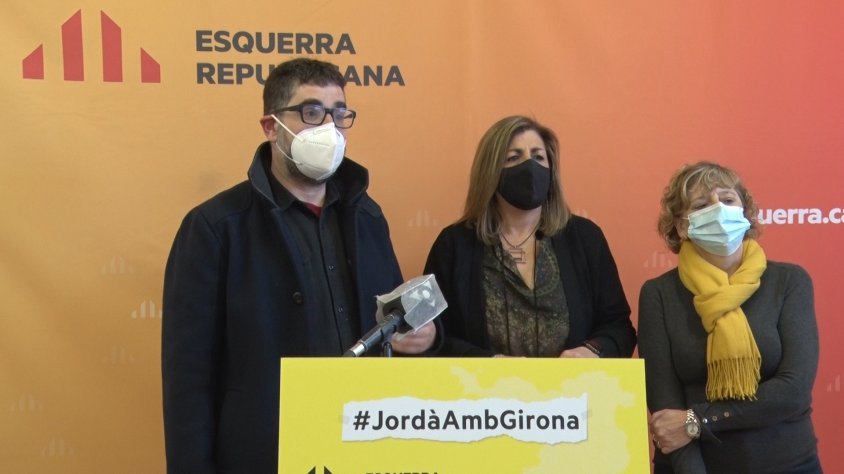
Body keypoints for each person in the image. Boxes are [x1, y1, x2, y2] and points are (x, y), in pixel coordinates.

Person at [161, 57, 438, 473]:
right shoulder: (216, 227)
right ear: (271, 127)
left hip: (363, 448)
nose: (329, 127)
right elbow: (188, 380)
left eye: (338, 113)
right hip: (264, 456)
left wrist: (423, 337)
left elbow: (393, 326)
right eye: (311, 112)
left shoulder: (368, 218)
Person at [639, 161, 821, 473]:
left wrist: (697, 420)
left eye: (727, 199)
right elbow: (666, 412)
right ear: (681, 227)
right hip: (692, 466)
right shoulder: (659, 294)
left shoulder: (789, 281)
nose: (718, 210)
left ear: (745, 212)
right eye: (701, 205)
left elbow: (793, 390)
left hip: (789, 464)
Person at [423, 115, 636, 358]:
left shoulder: (585, 238)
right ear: (490, 171)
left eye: (538, 157)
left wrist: (592, 351)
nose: (530, 167)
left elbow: (619, 328)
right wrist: (487, 362)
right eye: (514, 158)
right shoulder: (454, 245)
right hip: (484, 383)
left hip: (572, 382)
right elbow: (434, 338)